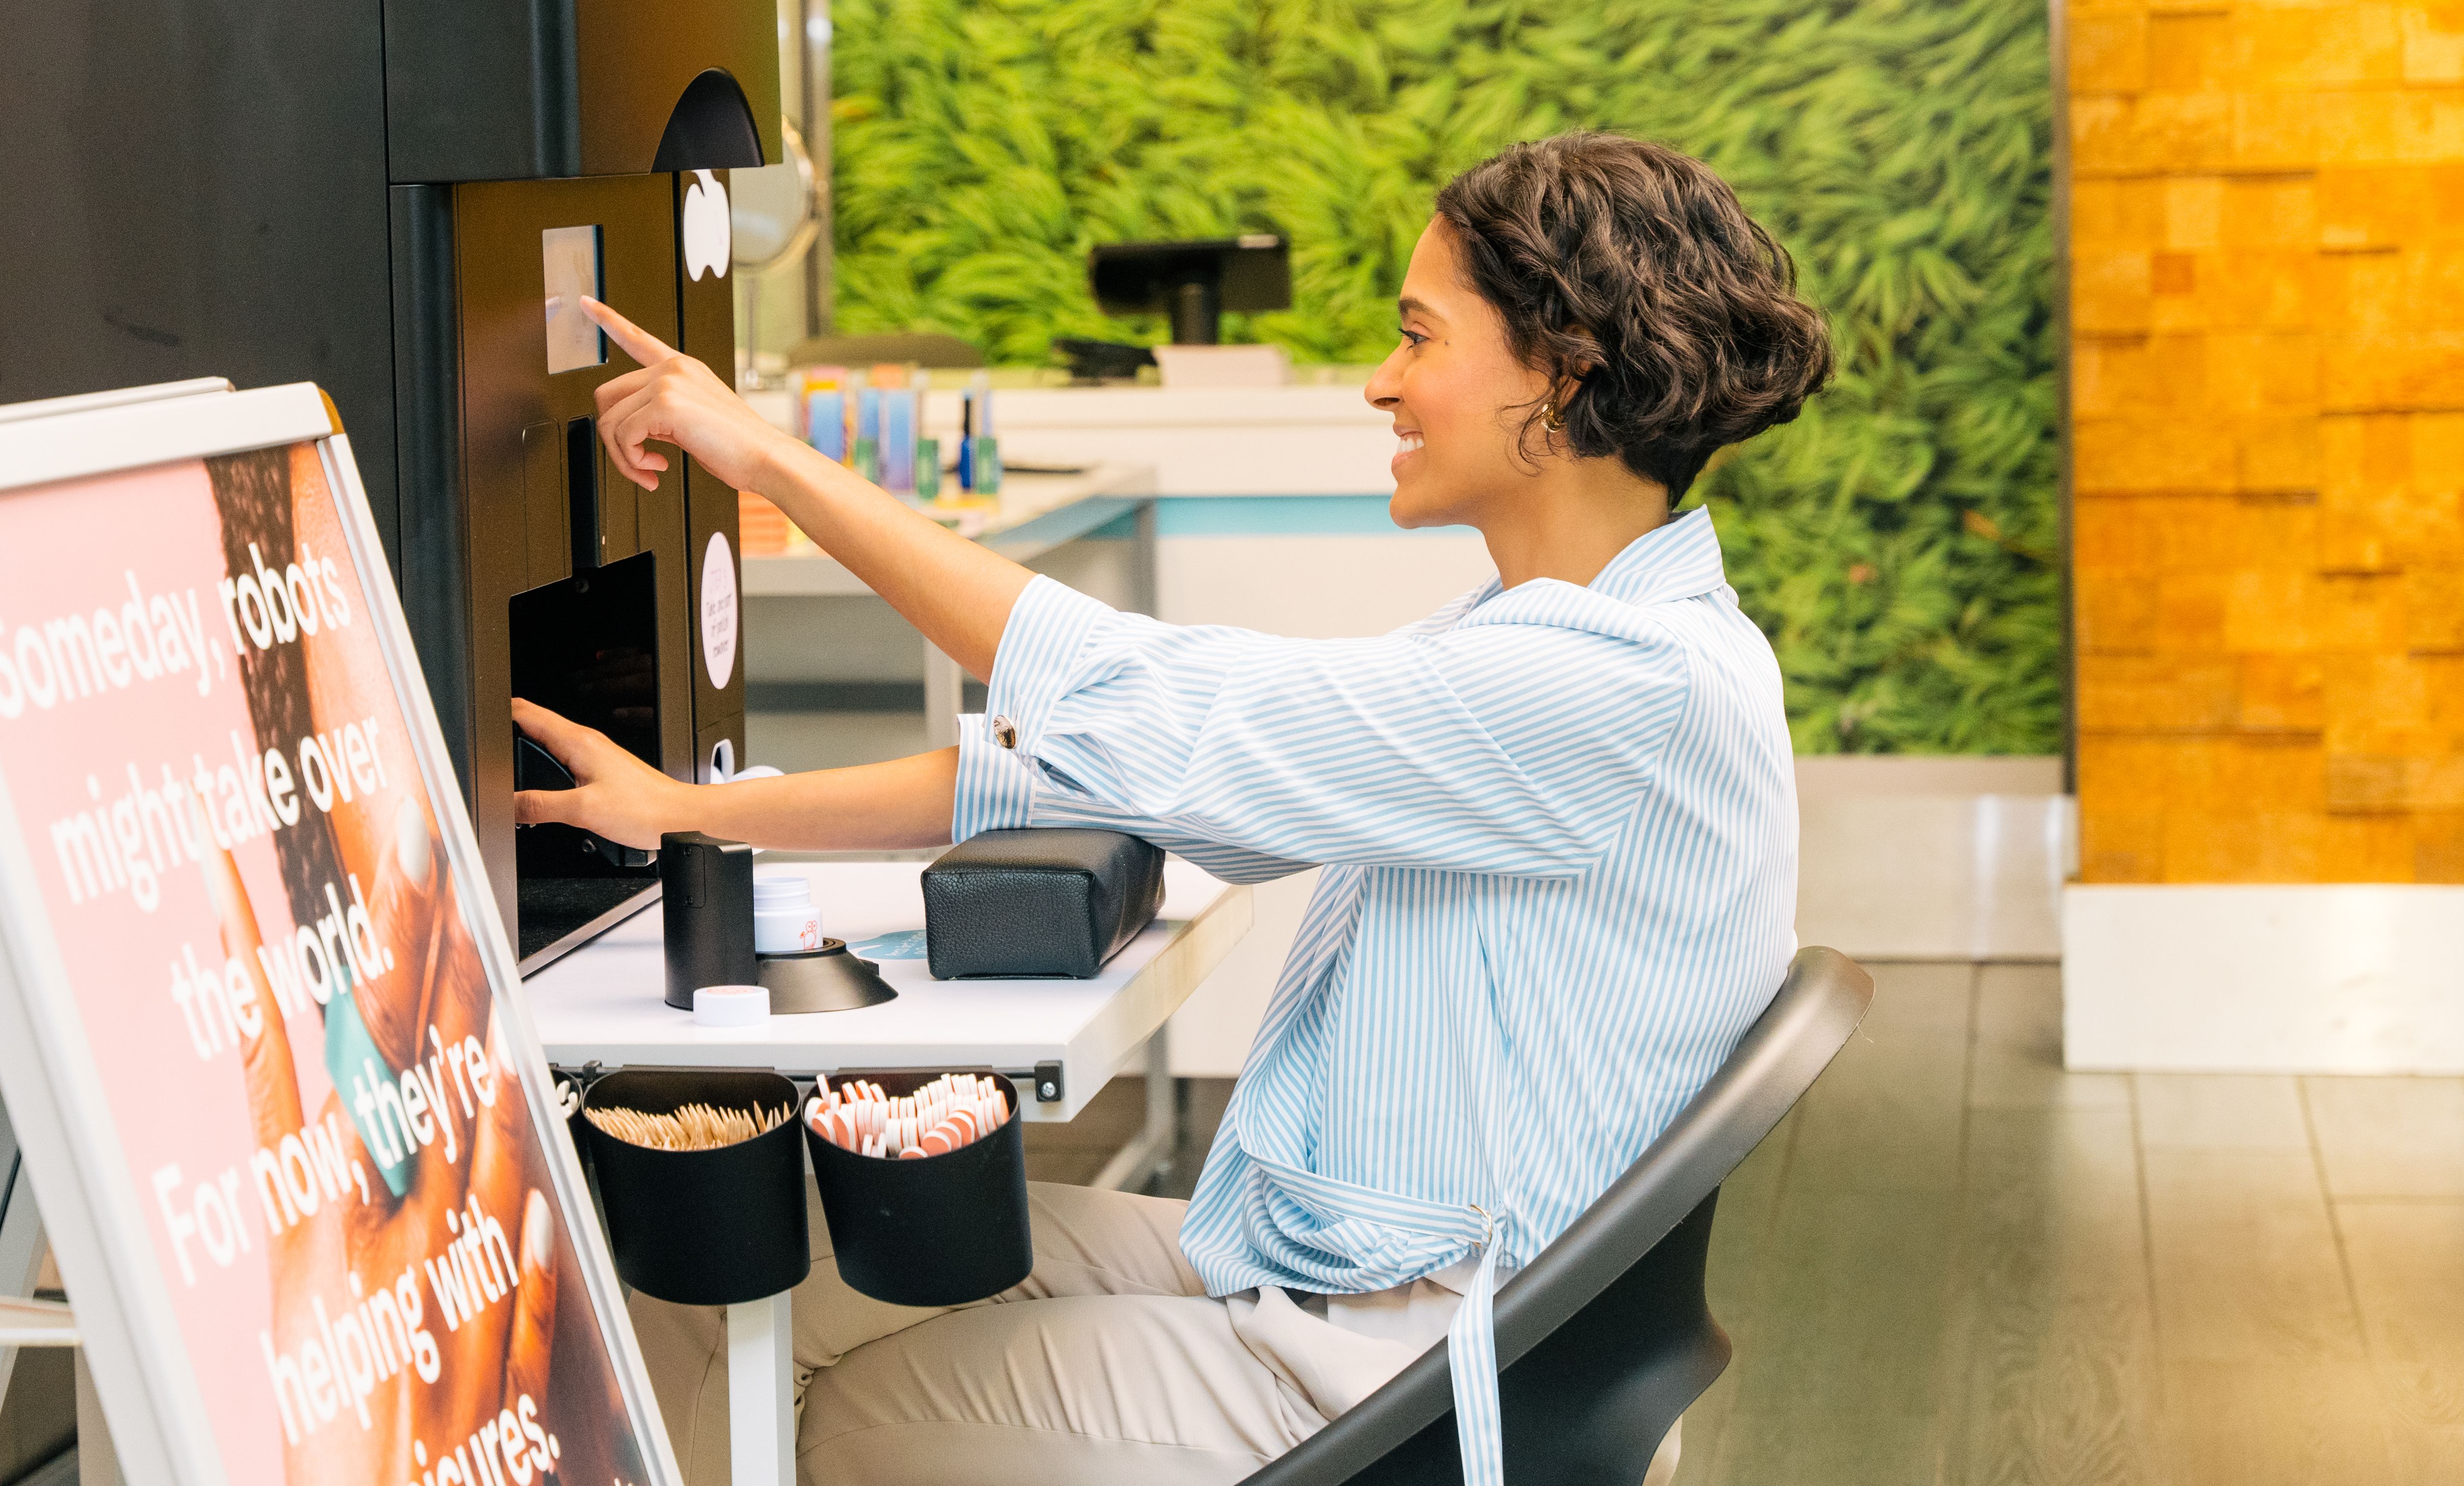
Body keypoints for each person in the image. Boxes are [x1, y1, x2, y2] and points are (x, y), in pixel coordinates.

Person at [510, 133, 1836, 1486]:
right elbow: (1099, 763)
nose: (1384, 382)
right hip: (1321, 1266)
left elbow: (1142, 700)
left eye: (1419, 338)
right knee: (714, 1284)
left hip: (1402, 1362)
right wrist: (694, 809)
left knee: (838, 1408)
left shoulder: (1608, 688)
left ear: (1562, 376)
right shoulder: (1543, 644)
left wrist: (769, 460)